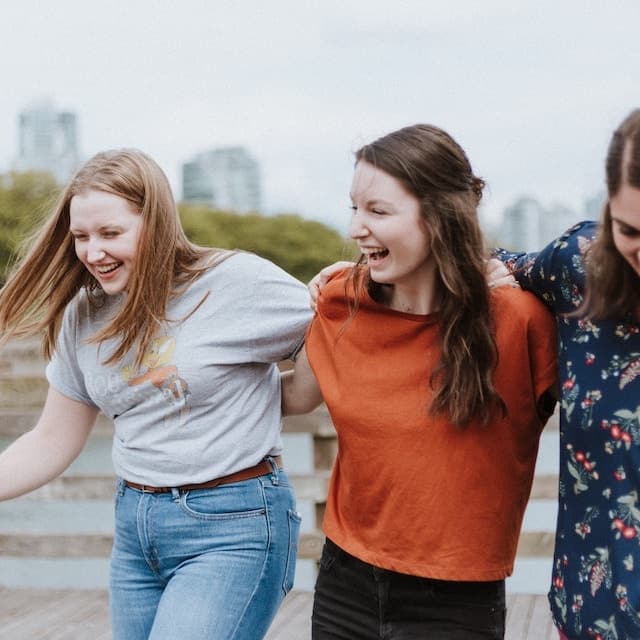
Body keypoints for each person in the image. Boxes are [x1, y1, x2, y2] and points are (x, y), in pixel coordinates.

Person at [0, 149, 312, 640]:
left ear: (157, 223)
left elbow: (334, 327)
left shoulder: (233, 283)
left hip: (233, 528)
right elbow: (50, 440)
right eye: (81, 236)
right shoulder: (83, 314)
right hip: (136, 531)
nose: (92, 252)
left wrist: (294, 394)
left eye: (110, 233)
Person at [281, 123, 558, 639]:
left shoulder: (519, 320)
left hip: (457, 600)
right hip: (345, 581)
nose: (357, 228)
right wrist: (186, 383)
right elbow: (294, 396)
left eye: (378, 212)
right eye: (354, 209)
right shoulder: (341, 302)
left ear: (438, 218)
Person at [490, 109, 640, 640]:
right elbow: (492, 265)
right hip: (589, 610)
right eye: (630, 229)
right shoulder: (580, 261)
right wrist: (356, 276)